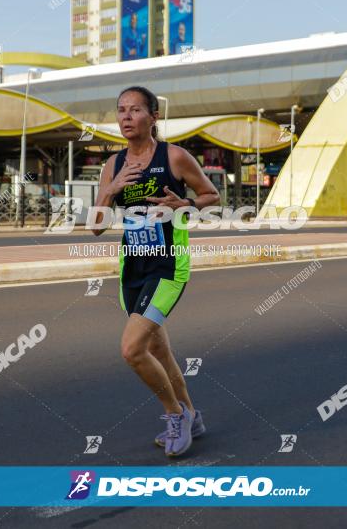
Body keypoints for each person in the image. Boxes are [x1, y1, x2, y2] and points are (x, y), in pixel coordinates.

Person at [91, 86, 220, 457]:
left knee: (132, 350)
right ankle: (193, 414)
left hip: (167, 267)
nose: (126, 117)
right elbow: (97, 227)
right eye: (121, 111)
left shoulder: (175, 157)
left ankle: (175, 414)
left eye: (135, 110)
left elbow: (212, 196)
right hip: (132, 269)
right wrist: (110, 191)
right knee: (158, 351)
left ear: (154, 116)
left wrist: (187, 204)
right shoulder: (112, 166)